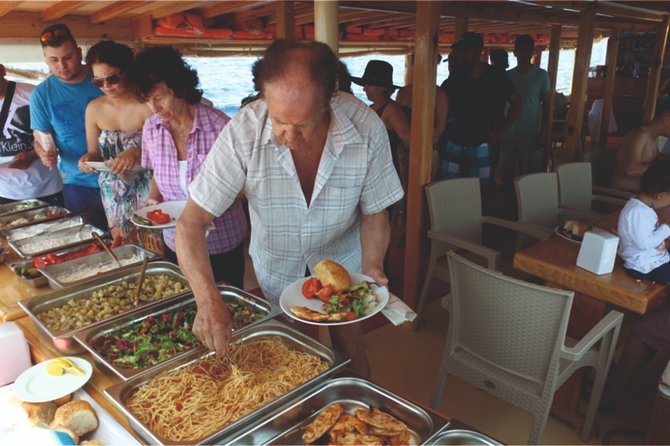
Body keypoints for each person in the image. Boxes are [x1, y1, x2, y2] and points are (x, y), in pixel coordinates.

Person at [175, 40, 404, 377]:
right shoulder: (244, 130)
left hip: (344, 262)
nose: (289, 135)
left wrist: (372, 264)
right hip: (276, 264)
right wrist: (207, 299)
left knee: (351, 347)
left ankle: (361, 403)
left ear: (330, 100)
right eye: (280, 120)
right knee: (287, 357)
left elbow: (374, 213)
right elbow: (191, 223)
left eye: (304, 124)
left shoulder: (366, 127)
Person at [133, 46, 247, 288]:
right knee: (184, 304)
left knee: (229, 310)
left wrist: (206, 211)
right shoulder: (152, 128)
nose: (154, 108)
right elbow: (156, 174)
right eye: (147, 101)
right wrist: (153, 199)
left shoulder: (220, 127)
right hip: (175, 239)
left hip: (220, 241)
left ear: (180, 88)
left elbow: (245, 186)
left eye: (160, 98)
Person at [601, 159, 670, 411]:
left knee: (642, 326)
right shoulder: (641, 210)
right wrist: (663, 233)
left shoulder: (639, 207)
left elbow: (644, 240)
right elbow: (643, 241)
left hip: (644, 262)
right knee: (652, 302)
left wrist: (661, 234)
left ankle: (613, 398)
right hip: (642, 262)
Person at [29, 24, 107, 230]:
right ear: (45, 60)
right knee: (86, 244)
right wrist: (43, 153)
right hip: (77, 184)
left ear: (79, 53)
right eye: (53, 60)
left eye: (68, 57)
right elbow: (40, 138)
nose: (61, 66)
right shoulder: (41, 95)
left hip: (120, 177)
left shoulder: (104, 80)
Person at [77, 41, 152, 242]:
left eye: (112, 78)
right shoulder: (94, 108)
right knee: (123, 243)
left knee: (153, 241)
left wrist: (137, 152)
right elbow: (94, 153)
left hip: (149, 186)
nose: (106, 86)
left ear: (127, 71)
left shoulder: (148, 104)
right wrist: (87, 160)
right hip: (113, 191)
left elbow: (167, 151)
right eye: (98, 82)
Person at [439, 32, 522, 183]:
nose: (462, 55)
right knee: (449, 187)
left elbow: (517, 102)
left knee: (480, 189)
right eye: (460, 51)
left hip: (481, 142)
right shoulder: (456, 76)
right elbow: (442, 98)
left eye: (466, 51)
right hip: (454, 141)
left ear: (480, 51)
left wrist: (502, 131)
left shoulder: (496, 76)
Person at [0, 64, 62, 205]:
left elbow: (60, 135)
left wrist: (34, 154)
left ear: (2, 70)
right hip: (3, 191)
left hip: (45, 187)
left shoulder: (33, 94)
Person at [498, 34, 551, 188]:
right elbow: (501, 106)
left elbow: (548, 106)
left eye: (528, 50)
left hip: (531, 132)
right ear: (515, 52)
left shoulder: (541, 76)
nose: (524, 53)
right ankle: (507, 203)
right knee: (506, 174)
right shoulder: (508, 76)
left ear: (533, 52)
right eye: (521, 50)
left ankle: (529, 205)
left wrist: (543, 133)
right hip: (509, 132)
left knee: (530, 176)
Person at [351, 60, 411, 189]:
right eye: (365, 84)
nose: (364, 88)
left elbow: (409, 139)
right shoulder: (372, 108)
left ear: (383, 87)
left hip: (384, 173)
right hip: (372, 171)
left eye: (370, 84)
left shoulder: (391, 110)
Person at [611, 102, 670, 192]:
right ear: (667, 120)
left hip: (642, 192)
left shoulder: (653, 137)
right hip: (622, 195)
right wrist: (662, 167)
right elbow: (630, 170)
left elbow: (653, 160)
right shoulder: (640, 135)